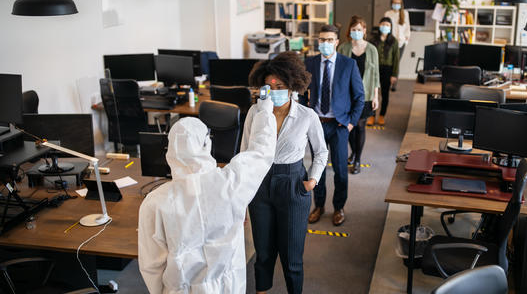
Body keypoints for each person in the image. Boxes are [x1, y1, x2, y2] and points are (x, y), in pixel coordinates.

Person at [138, 107, 277, 294]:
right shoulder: (231, 183)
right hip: (228, 285)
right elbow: (261, 152)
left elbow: (151, 263)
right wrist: (264, 111)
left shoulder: (155, 201)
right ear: (206, 144)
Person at [243, 52, 329, 294]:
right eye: (269, 87)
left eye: (280, 86)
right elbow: (244, 154)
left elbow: (321, 152)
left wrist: (311, 181)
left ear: (292, 86)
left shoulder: (306, 116)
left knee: (292, 257)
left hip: (293, 185)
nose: (274, 91)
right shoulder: (255, 113)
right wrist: (241, 199)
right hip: (260, 185)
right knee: (263, 252)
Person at [301, 24, 364, 226]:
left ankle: (339, 207)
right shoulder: (309, 63)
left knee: (340, 169)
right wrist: (305, 118)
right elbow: (301, 94)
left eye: (329, 40)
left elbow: (359, 97)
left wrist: (351, 123)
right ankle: (319, 206)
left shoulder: (348, 65)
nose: (325, 43)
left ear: (337, 42)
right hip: (316, 124)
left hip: (339, 125)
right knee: (316, 168)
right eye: (322, 40)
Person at [337, 15, 380, 174]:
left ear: (364, 31)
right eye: (353, 29)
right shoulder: (343, 48)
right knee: (349, 126)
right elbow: (338, 72)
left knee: (361, 126)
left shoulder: (372, 49)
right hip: (347, 95)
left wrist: (376, 96)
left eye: (359, 30)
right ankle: (353, 153)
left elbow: (375, 74)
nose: (356, 32)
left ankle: (358, 159)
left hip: (366, 95)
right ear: (350, 31)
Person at [368, 17, 400, 126]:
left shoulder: (393, 41)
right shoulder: (373, 40)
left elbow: (396, 58)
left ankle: (382, 116)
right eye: (383, 24)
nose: (385, 27)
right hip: (374, 69)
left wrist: (394, 74)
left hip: (388, 69)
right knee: (372, 93)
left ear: (391, 27)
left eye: (387, 25)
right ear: (379, 25)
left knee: (385, 94)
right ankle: (371, 115)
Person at [384, 0, 411, 90]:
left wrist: (406, 40)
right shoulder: (388, 13)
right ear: (392, 3)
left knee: (396, 62)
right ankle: (387, 82)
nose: (396, 5)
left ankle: (394, 84)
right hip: (390, 42)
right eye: (394, 3)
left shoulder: (405, 13)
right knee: (389, 62)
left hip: (401, 42)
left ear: (401, 4)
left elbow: (407, 28)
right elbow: (385, 27)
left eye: (398, 3)